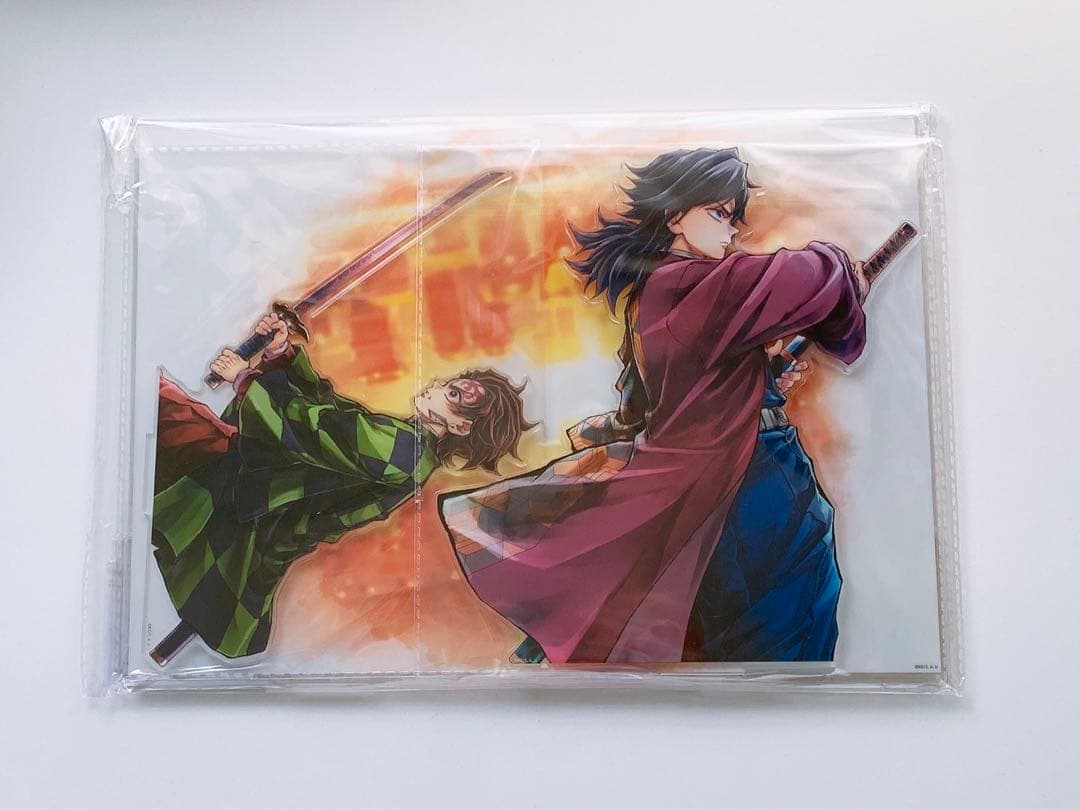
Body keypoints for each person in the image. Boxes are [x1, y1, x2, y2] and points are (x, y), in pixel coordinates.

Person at [439, 148, 869, 664]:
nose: (732, 231)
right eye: (718, 213)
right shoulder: (687, 283)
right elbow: (809, 275)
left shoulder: (661, 293)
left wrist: (761, 378)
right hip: (752, 481)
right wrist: (844, 272)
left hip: (740, 476)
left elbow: (679, 395)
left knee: (762, 623)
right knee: (786, 618)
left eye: (733, 217)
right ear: (674, 216)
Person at [151, 310, 532, 660]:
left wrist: (244, 378)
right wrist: (282, 354)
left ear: (461, 426)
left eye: (453, 394)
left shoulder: (405, 451)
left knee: (158, 406)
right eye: (451, 383)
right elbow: (332, 411)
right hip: (249, 501)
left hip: (247, 510)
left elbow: (311, 428)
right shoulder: (407, 446)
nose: (437, 383)